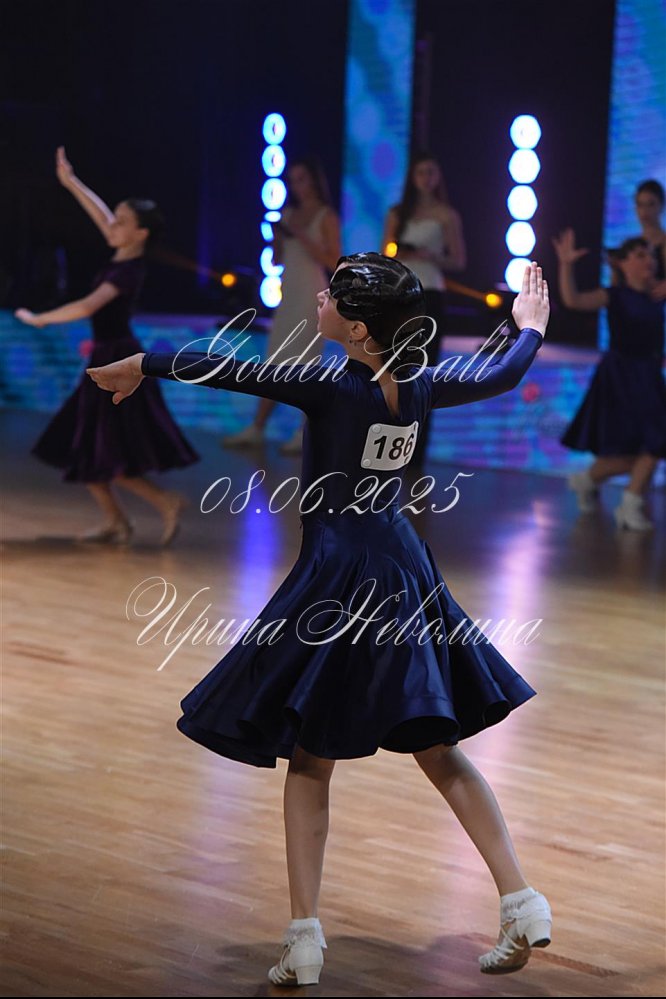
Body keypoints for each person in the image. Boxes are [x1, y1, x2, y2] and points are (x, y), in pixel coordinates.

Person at [88, 255, 552, 984]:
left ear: (359, 329)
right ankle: (522, 900)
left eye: (335, 295)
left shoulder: (332, 386)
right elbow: (501, 374)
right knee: (439, 748)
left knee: (311, 755)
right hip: (404, 569)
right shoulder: (422, 385)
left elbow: (230, 369)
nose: (322, 297)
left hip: (339, 578)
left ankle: (304, 936)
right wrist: (529, 330)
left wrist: (140, 364)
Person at [14, 147, 198, 544]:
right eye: (114, 217)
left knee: (103, 447)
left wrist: (41, 318)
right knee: (81, 442)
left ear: (140, 234)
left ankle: (164, 501)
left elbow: (87, 306)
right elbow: (99, 215)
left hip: (118, 360)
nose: (111, 223)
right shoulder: (121, 255)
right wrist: (71, 182)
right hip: (106, 355)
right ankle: (117, 521)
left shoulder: (128, 272)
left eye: (122, 221)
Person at [222, 155, 341, 455]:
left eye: (302, 178)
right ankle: (257, 428)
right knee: (274, 362)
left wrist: (301, 236)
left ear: (314, 180)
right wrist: (276, 237)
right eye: (293, 180)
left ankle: (306, 432)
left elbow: (334, 261)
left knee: (305, 364)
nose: (298, 185)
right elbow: (276, 260)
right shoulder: (287, 214)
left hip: (312, 294)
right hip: (288, 294)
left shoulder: (326, 216)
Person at [553, 228, 665, 531]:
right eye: (640, 255)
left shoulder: (658, 295)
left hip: (649, 375)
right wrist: (566, 264)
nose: (649, 261)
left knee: (655, 444)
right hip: (621, 377)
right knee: (640, 449)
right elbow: (573, 300)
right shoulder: (614, 295)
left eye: (651, 256)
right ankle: (620, 499)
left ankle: (593, 484)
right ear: (622, 263)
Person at [381, 151, 466, 464]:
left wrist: (431, 256)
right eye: (420, 172)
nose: (426, 179)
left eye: (431, 172)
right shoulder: (397, 212)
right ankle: (387, 443)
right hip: (400, 292)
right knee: (393, 367)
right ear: (412, 177)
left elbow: (459, 260)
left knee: (422, 371)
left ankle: (414, 452)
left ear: (437, 176)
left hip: (429, 292)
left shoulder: (446, 215)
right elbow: (384, 255)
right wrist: (401, 253)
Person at [633, 179, 666, 286]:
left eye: (651, 204)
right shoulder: (632, 247)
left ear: (662, 206)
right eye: (640, 205)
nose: (645, 211)